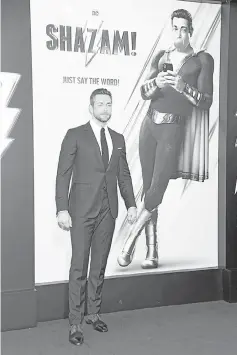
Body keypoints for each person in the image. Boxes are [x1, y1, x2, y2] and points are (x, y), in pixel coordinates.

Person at [117, 9, 214, 269]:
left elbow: (206, 102)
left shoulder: (202, 60)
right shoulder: (162, 56)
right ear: (171, 29)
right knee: (149, 187)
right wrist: (157, 83)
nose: (179, 33)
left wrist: (182, 86)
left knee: (156, 189)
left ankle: (129, 240)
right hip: (150, 125)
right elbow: (143, 92)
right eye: (176, 28)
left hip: (174, 128)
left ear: (190, 31)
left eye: (184, 29)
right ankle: (152, 252)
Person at [56, 88, 137, 346]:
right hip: (80, 211)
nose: (104, 108)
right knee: (79, 266)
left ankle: (93, 313)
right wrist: (61, 208)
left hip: (107, 211)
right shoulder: (75, 135)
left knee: (99, 265)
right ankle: (75, 322)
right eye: (100, 104)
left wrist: (131, 204)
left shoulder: (118, 138)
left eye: (108, 104)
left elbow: (123, 176)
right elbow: (63, 174)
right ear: (91, 107)